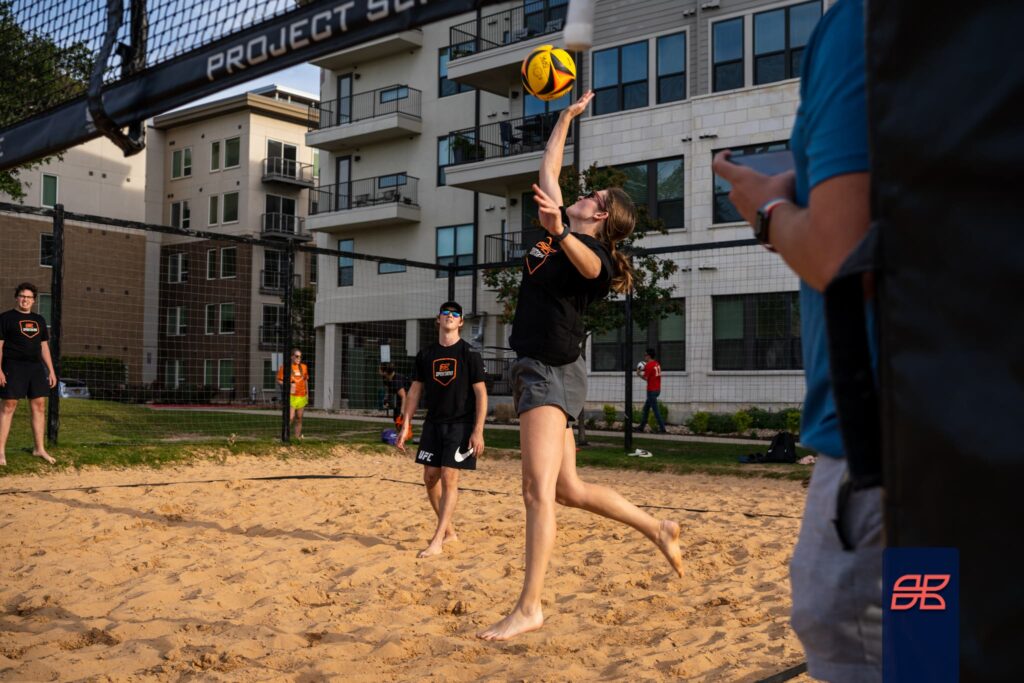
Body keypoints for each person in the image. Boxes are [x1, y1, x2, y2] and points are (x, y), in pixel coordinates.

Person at [711, 1, 881, 679]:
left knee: (871, 642)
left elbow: (843, 254)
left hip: (887, 461)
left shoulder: (864, 22)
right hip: (969, 432)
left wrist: (768, 209)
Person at [478, 90, 684, 642]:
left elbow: (593, 266)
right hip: (545, 367)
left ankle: (529, 606)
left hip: (548, 369)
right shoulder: (556, 233)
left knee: (536, 491)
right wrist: (565, 118)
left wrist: (563, 231)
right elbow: (548, 167)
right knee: (567, 488)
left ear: (601, 218)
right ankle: (656, 527)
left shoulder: (590, 255)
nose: (581, 194)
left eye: (592, 196)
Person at [395, 300, 487, 558]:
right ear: (438, 320)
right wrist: (406, 425)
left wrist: (478, 430)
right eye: (445, 313)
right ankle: (449, 531)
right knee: (430, 478)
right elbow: (414, 391)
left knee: (449, 475)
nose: (449, 316)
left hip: (461, 423)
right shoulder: (426, 354)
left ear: (460, 322)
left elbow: (481, 394)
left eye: (454, 314)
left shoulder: (470, 354)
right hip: (434, 424)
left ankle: (437, 539)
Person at [0, 283, 58, 466]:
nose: (25, 300)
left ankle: (39, 448)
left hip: (35, 368)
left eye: (29, 297)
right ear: (17, 297)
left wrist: (51, 370)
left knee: (39, 406)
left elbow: (44, 347)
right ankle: (0, 451)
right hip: (13, 366)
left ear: (34, 300)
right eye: (22, 296)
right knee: (9, 406)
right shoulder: (5, 318)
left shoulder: (39, 320)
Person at [276, 348, 309, 440]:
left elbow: (306, 381)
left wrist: (307, 394)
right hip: (291, 396)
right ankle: (284, 435)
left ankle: (297, 437)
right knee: (290, 417)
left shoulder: (304, 367)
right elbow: (279, 380)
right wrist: (288, 384)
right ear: (292, 357)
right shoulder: (285, 367)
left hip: (301, 395)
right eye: (297, 356)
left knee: (299, 417)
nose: (299, 358)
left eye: (300, 356)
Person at [635, 348, 666, 433]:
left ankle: (662, 429)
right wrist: (643, 370)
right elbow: (651, 372)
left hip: (651, 391)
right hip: (657, 390)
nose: (644, 357)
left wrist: (638, 374)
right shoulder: (656, 363)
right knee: (646, 408)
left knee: (656, 411)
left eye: (645, 355)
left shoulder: (649, 365)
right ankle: (641, 427)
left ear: (648, 356)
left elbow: (646, 378)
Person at [379, 362, 408, 430]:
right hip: (399, 396)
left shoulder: (396, 381)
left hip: (407, 396)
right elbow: (388, 388)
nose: (378, 370)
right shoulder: (385, 378)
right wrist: (386, 399)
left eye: (380, 369)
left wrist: (402, 411)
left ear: (385, 371)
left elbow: (404, 396)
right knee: (396, 418)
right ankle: (401, 434)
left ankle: (404, 434)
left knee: (399, 417)